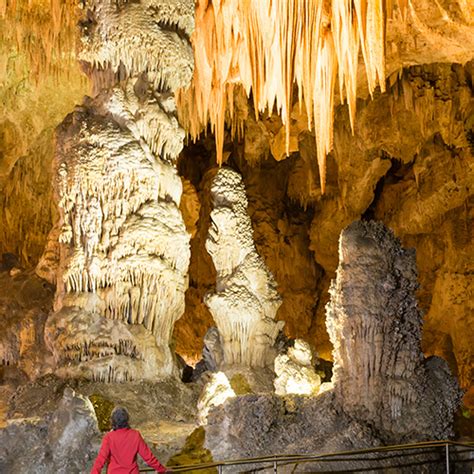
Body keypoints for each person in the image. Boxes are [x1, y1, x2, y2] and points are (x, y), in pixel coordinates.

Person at [91, 406, 170, 473]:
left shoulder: (109, 437)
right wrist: (163, 470)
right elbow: (148, 457)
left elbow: (100, 460)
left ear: (113, 421)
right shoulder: (135, 435)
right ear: (127, 419)